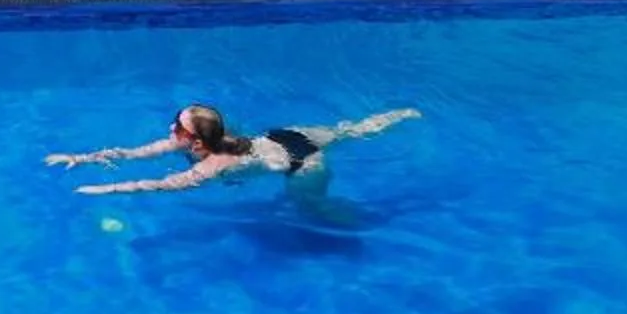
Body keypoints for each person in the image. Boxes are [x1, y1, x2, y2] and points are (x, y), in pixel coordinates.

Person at [49, 104, 420, 206]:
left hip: (301, 164)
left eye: (176, 127)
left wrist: (105, 191)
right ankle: (400, 115)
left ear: (195, 141)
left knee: (312, 210)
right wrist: (81, 159)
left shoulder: (214, 164)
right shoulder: (195, 142)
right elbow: (132, 153)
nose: (170, 131)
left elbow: (162, 185)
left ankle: (356, 223)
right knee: (347, 131)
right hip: (285, 135)